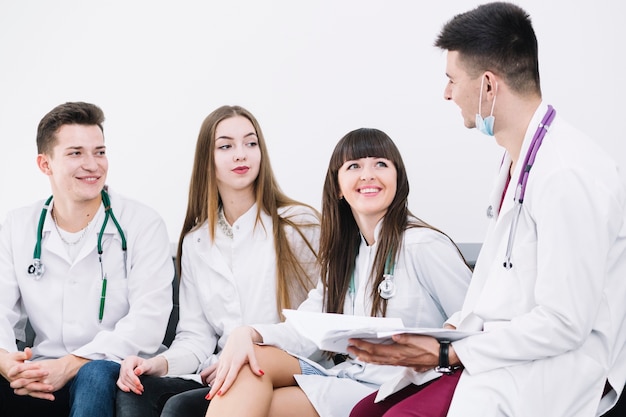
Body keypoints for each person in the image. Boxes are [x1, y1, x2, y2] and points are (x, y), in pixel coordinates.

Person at [348, 3, 626, 417]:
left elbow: (565, 323)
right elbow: (501, 288)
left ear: (488, 85)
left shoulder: (567, 175)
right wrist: (449, 333)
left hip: (561, 366)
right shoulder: (520, 160)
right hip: (502, 352)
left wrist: (449, 354)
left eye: (452, 79)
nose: (446, 93)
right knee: (364, 411)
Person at [203, 127, 472, 417]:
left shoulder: (424, 245)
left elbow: (474, 320)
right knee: (249, 363)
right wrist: (247, 333)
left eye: (380, 164)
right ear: (337, 187)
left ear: (398, 179)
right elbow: (306, 330)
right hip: (352, 380)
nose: (368, 174)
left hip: (405, 388)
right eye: (354, 166)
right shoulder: (344, 256)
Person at [115, 105, 321, 417]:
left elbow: (318, 321)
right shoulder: (197, 242)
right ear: (207, 162)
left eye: (251, 144)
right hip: (225, 371)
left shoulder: (298, 225)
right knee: (136, 394)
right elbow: (196, 337)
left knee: (180, 408)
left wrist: (247, 344)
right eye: (226, 146)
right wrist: (158, 363)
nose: (241, 154)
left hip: (293, 365)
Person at [0, 101, 174, 417]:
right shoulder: (17, 225)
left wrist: (71, 364)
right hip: (43, 369)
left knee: (94, 375)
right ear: (45, 164)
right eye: (76, 153)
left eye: (100, 151)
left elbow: (149, 321)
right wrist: (6, 362)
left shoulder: (142, 223)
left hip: (112, 365)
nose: (93, 164)